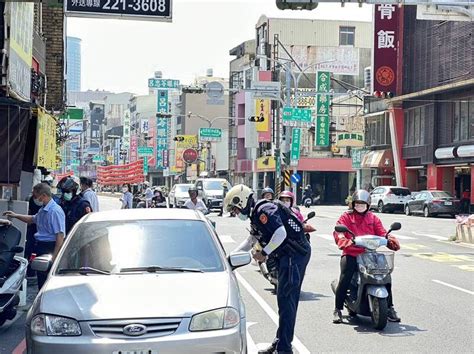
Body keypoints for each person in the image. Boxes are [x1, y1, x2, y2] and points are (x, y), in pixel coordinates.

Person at [224, 184, 311, 354]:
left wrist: (264, 252)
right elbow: (251, 240)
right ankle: (280, 342)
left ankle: (285, 349)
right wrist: (229, 259)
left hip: (295, 255)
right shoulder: (256, 215)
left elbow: (280, 233)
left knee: (287, 303)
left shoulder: (265, 209)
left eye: (234, 209)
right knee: (283, 302)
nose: (235, 214)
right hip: (286, 256)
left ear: (241, 202)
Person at [332, 189, 401, 324]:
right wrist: (344, 241)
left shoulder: (373, 218)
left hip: (370, 254)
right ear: (353, 205)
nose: (360, 207)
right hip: (351, 253)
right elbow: (338, 232)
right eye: (357, 204)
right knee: (345, 276)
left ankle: (390, 307)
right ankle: (337, 309)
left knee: (385, 275)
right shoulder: (346, 217)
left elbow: (382, 233)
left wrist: (390, 240)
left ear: (368, 205)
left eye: (362, 204)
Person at [3, 183, 66, 289]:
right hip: (40, 246)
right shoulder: (43, 209)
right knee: (41, 277)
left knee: (47, 278)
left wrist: (54, 258)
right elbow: (32, 219)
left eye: (36, 196)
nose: (35, 199)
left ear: (44, 195)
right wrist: (16, 215)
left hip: (49, 247)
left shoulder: (54, 211)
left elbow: (60, 237)